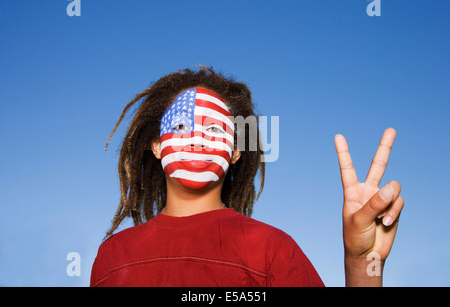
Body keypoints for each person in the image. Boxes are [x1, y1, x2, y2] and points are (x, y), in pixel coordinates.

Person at [90, 66, 404, 287]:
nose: (198, 139)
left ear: (236, 151)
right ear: (157, 146)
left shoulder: (272, 250)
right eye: (183, 126)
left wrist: (362, 264)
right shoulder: (113, 256)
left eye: (214, 129)